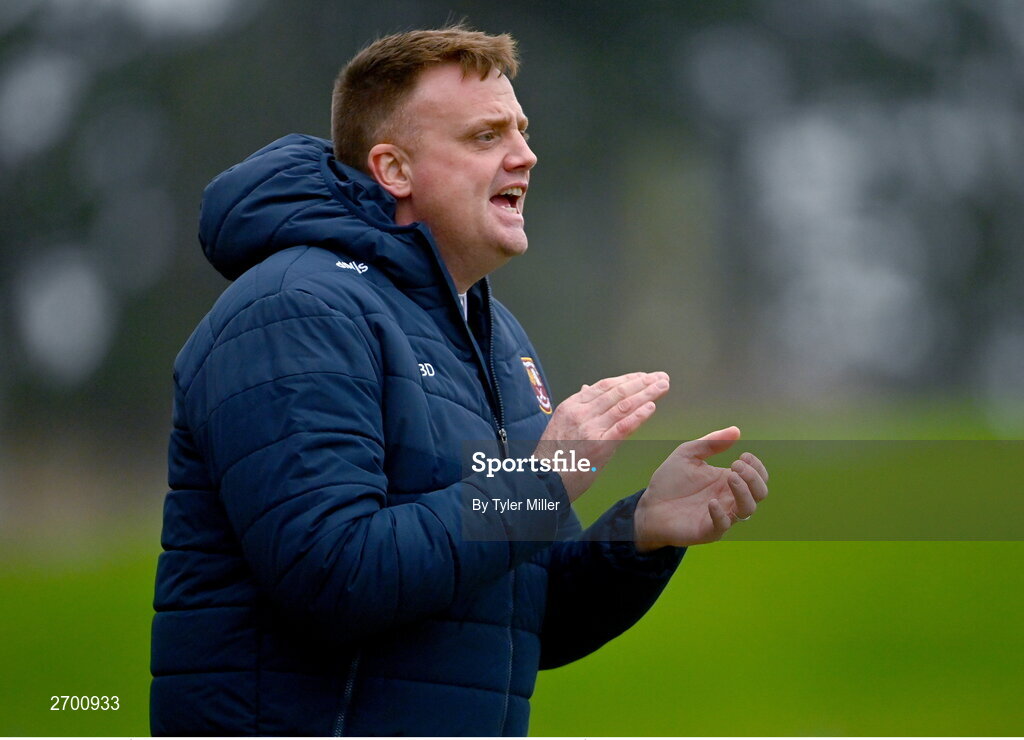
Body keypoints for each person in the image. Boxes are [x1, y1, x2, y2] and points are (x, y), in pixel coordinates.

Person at [150, 25, 769, 736]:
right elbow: (334, 576)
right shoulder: (296, 309)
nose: (526, 155)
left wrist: (639, 537)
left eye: (522, 131)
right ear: (394, 169)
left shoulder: (495, 336)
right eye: (485, 137)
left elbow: (512, 622)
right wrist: (542, 482)